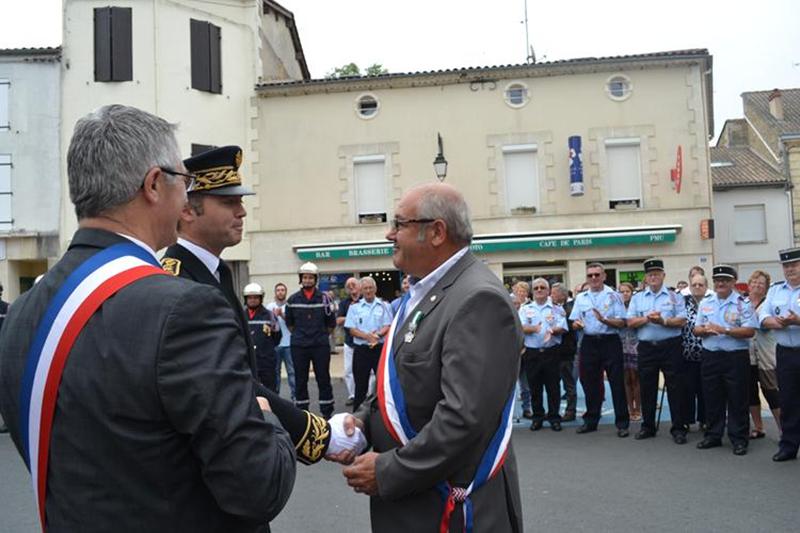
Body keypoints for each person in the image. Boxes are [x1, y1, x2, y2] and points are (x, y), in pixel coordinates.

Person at [0, 105, 296, 531]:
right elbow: (258, 485)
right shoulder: (184, 310)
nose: (186, 194)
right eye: (183, 181)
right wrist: (265, 414)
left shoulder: (24, 313)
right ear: (155, 184)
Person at [339, 183, 523, 532]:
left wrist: (389, 470)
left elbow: (463, 418)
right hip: (419, 503)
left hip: (452, 509)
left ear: (437, 231)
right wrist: (362, 419)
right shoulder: (426, 290)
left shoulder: (478, 299)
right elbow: (402, 378)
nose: (389, 233)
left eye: (399, 223)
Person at [161, 145, 348, 465]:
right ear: (188, 211)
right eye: (229, 201)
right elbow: (233, 383)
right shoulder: (183, 282)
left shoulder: (214, 272)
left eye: (241, 201)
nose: (242, 212)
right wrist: (317, 434)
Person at [694, 264, 756, 455]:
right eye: (718, 280)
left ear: (733, 282)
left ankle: (739, 438)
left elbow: (749, 330)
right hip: (711, 355)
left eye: (725, 280)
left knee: (737, 398)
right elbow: (696, 329)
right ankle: (714, 435)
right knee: (712, 396)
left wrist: (724, 330)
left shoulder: (742, 303)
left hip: (734, 357)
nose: (720, 283)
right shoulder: (706, 302)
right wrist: (704, 330)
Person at [626, 259, 688, 444]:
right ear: (645, 277)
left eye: (657, 274)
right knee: (647, 387)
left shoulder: (674, 296)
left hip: (670, 345)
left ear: (663, 276)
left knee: (675, 388)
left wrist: (663, 322)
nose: (653, 277)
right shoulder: (637, 298)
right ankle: (648, 426)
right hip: (647, 347)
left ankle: (678, 428)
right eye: (650, 274)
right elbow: (630, 322)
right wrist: (647, 318)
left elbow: (682, 320)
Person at [569, 262, 630, 437]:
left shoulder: (614, 296)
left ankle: (622, 423)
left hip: (610, 341)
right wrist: (577, 324)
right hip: (589, 342)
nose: (594, 278)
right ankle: (591, 420)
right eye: (590, 275)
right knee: (590, 383)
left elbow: (622, 322)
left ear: (604, 276)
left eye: (597, 275)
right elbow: (574, 321)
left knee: (616, 382)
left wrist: (605, 321)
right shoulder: (581, 298)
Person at [759, 247, 800, 462]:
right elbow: (763, 315)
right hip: (784, 352)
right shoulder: (775, 290)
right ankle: (789, 446)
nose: (790, 269)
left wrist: (796, 321)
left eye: (794, 264)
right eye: (786, 266)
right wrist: (775, 322)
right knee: (789, 400)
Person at [285, 262, 337, 419]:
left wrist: (319, 335)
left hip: (319, 345)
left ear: (316, 279)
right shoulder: (292, 299)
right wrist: (302, 336)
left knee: (323, 378)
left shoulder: (325, 299)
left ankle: (327, 413)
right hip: (299, 346)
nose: (307, 280)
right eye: (305, 277)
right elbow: (290, 324)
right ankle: (303, 413)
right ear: (301, 279)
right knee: (300, 379)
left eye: (310, 277)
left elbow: (331, 324)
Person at [520, 278, 567, 431]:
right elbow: (520, 327)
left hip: (551, 353)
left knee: (553, 387)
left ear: (548, 291)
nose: (539, 290)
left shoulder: (557, 309)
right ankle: (538, 417)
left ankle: (554, 417)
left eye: (542, 287)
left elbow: (563, 327)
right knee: (535, 387)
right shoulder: (525, 309)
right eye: (536, 288)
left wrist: (553, 330)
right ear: (532, 292)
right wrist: (535, 329)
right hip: (532, 353)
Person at [344, 276, 393, 411]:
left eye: (371, 287)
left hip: (379, 350)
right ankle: (358, 415)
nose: (368, 291)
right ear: (361, 290)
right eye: (365, 288)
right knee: (360, 385)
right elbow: (351, 330)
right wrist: (367, 337)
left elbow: (388, 325)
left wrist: (376, 336)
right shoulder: (354, 308)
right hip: (361, 351)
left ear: (375, 289)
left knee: (382, 384)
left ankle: (383, 413)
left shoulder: (385, 305)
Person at [746, 270, 781, 439]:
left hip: (767, 355)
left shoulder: (769, 304)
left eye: (761, 283)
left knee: (772, 392)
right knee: (751, 393)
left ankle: (784, 429)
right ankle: (759, 427)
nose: (757, 285)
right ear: (749, 284)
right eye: (754, 282)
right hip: (748, 356)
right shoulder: (742, 303)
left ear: (766, 288)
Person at [682, 273, 708, 430]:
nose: (697, 287)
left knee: (705, 389)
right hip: (687, 353)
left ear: (706, 287)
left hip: (708, 354)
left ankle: (705, 419)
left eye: (700, 285)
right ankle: (687, 420)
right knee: (687, 389)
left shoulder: (712, 302)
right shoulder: (683, 303)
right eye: (694, 285)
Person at [244, 282, 282, 392]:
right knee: (249, 390)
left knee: (270, 390)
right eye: (250, 298)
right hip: (247, 361)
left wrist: (266, 348)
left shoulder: (270, 315)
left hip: (266, 361)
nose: (253, 300)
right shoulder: (240, 315)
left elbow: (277, 336)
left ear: (261, 298)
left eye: (256, 297)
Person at [551, 283, 577, 421]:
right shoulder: (556, 307)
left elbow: (566, 327)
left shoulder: (570, 308)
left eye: (554, 293)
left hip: (566, 350)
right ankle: (554, 411)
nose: (551, 296)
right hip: (555, 350)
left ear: (562, 294)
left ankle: (571, 411)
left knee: (569, 383)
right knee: (554, 382)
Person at [267, 283, 295, 400]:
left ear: (286, 292)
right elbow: (268, 325)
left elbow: (293, 323)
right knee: (275, 373)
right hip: (276, 345)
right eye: (278, 290)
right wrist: (273, 316)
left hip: (289, 344)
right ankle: (275, 397)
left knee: (292, 372)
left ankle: (295, 396)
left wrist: (282, 315)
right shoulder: (269, 306)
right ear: (275, 292)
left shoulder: (290, 306)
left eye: (282, 290)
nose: (280, 292)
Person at [618, 282, 641, 422]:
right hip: (621, 345)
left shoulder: (636, 306)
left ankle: (638, 408)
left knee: (636, 378)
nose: (624, 293)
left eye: (627, 291)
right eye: (621, 291)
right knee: (626, 379)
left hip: (636, 345)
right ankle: (629, 409)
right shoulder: (616, 307)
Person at [337, 277, 361, 406]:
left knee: (369, 372)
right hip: (349, 342)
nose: (352, 287)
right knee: (348, 370)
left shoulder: (365, 300)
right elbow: (339, 320)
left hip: (364, 341)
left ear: (359, 287)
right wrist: (352, 315)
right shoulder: (344, 303)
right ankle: (352, 395)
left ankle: (368, 395)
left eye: (354, 284)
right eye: (349, 285)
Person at [512, 281, 533, 419]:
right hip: (510, 352)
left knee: (525, 384)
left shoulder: (530, 308)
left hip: (526, 350)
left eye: (523, 291)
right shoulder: (507, 307)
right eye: (519, 291)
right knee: (508, 386)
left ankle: (527, 408)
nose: (521, 294)